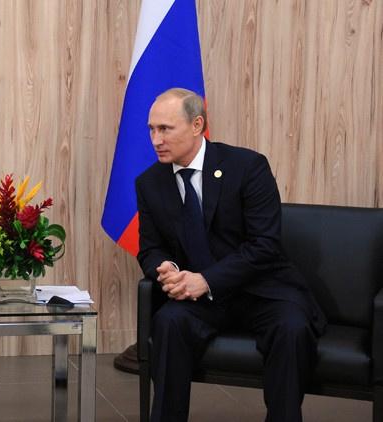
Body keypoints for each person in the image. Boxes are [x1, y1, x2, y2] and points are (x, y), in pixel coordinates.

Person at [136, 88, 326, 422]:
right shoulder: (150, 182)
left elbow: (265, 245)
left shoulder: (247, 166)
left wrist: (206, 280)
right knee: (168, 322)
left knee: (292, 329)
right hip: (200, 299)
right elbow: (150, 247)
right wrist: (166, 267)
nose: (156, 140)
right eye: (151, 129)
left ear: (197, 125)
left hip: (262, 290)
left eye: (165, 129)